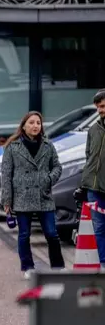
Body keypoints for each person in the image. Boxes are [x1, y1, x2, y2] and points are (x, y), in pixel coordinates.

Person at [0, 111, 65, 279]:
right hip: (22, 196)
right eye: (31, 122)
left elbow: (57, 167)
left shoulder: (48, 145)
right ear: (23, 126)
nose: (35, 126)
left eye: (38, 123)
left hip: (44, 195)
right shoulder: (13, 147)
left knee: (52, 233)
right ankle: (28, 267)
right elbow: (6, 175)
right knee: (24, 234)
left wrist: (49, 180)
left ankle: (58, 268)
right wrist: (7, 200)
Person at [76, 89, 105, 269]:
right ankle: (103, 266)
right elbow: (89, 155)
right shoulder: (93, 129)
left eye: (104, 106)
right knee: (99, 228)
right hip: (94, 188)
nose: (102, 110)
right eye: (99, 107)